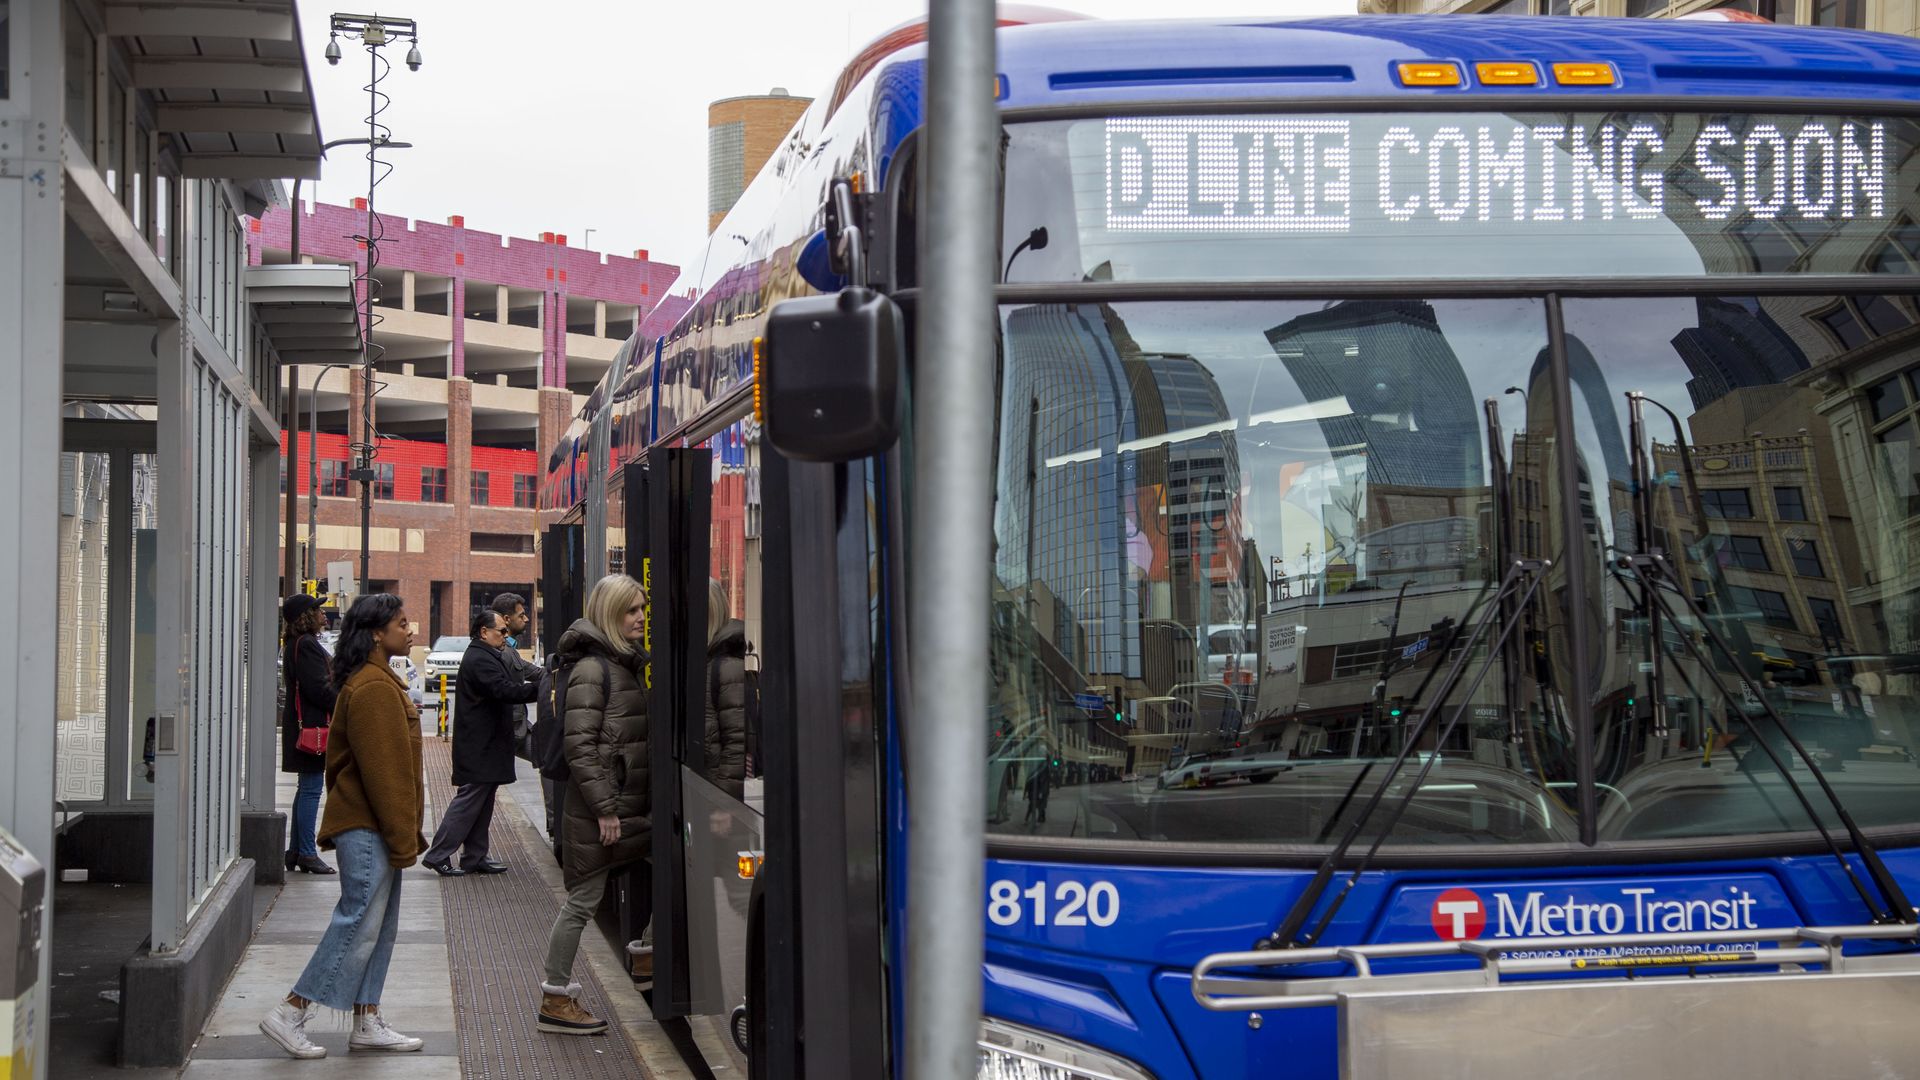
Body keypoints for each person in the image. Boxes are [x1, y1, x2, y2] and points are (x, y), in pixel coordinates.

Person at [259, 594, 427, 1058]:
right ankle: (290, 1011)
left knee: (379, 926)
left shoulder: (376, 679)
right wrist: (402, 837)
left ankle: (367, 1017)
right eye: (401, 622)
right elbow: (385, 773)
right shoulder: (373, 687)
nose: (410, 629)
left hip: (374, 826)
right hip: (370, 827)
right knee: (357, 923)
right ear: (376, 633)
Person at [537, 574, 650, 1037]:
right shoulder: (592, 670)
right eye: (631, 610)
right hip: (602, 813)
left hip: (621, 807)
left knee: (675, 858)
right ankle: (555, 997)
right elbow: (580, 746)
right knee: (582, 900)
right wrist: (605, 808)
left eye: (642, 609)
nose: (641, 618)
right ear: (610, 614)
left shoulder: (618, 664)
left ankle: (646, 956)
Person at [422, 609, 540, 877]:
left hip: (485, 743)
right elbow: (504, 690)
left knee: (482, 801)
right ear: (484, 632)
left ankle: (475, 856)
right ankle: (438, 854)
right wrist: (540, 688)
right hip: (480, 745)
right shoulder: (480, 659)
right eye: (501, 631)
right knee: (470, 800)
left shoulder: (485, 655)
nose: (505, 636)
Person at [492, 591, 563, 857]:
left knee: (476, 796)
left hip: (514, 728)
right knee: (549, 758)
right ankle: (556, 826)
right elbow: (524, 682)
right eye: (522, 615)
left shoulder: (508, 649)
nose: (526, 619)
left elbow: (533, 673)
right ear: (507, 619)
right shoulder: (502, 652)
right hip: (512, 730)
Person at [281, 594, 338, 875]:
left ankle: (295, 850)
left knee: (306, 788)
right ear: (306, 616)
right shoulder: (306, 645)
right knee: (312, 789)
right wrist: (344, 701)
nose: (324, 614)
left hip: (303, 726)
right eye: (318, 610)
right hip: (313, 728)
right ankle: (306, 851)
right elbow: (319, 689)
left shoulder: (296, 643)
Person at [704, 579, 749, 800]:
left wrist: (723, 803)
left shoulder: (727, 668)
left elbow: (736, 743)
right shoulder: (705, 662)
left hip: (715, 799)